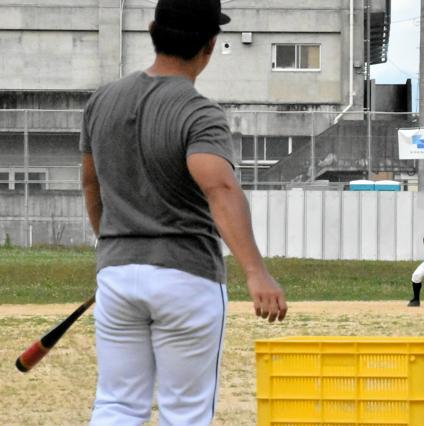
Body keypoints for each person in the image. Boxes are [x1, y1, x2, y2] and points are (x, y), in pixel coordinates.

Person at [80, 0, 287, 424]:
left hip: (117, 276)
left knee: (117, 404)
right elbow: (221, 188)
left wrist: (113, 247)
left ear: (153, 29)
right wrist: (255, 272)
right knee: (185, 412)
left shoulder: (100, 103)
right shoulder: (198, 112)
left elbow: (90, 182)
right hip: (186, 277)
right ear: (210, 45)